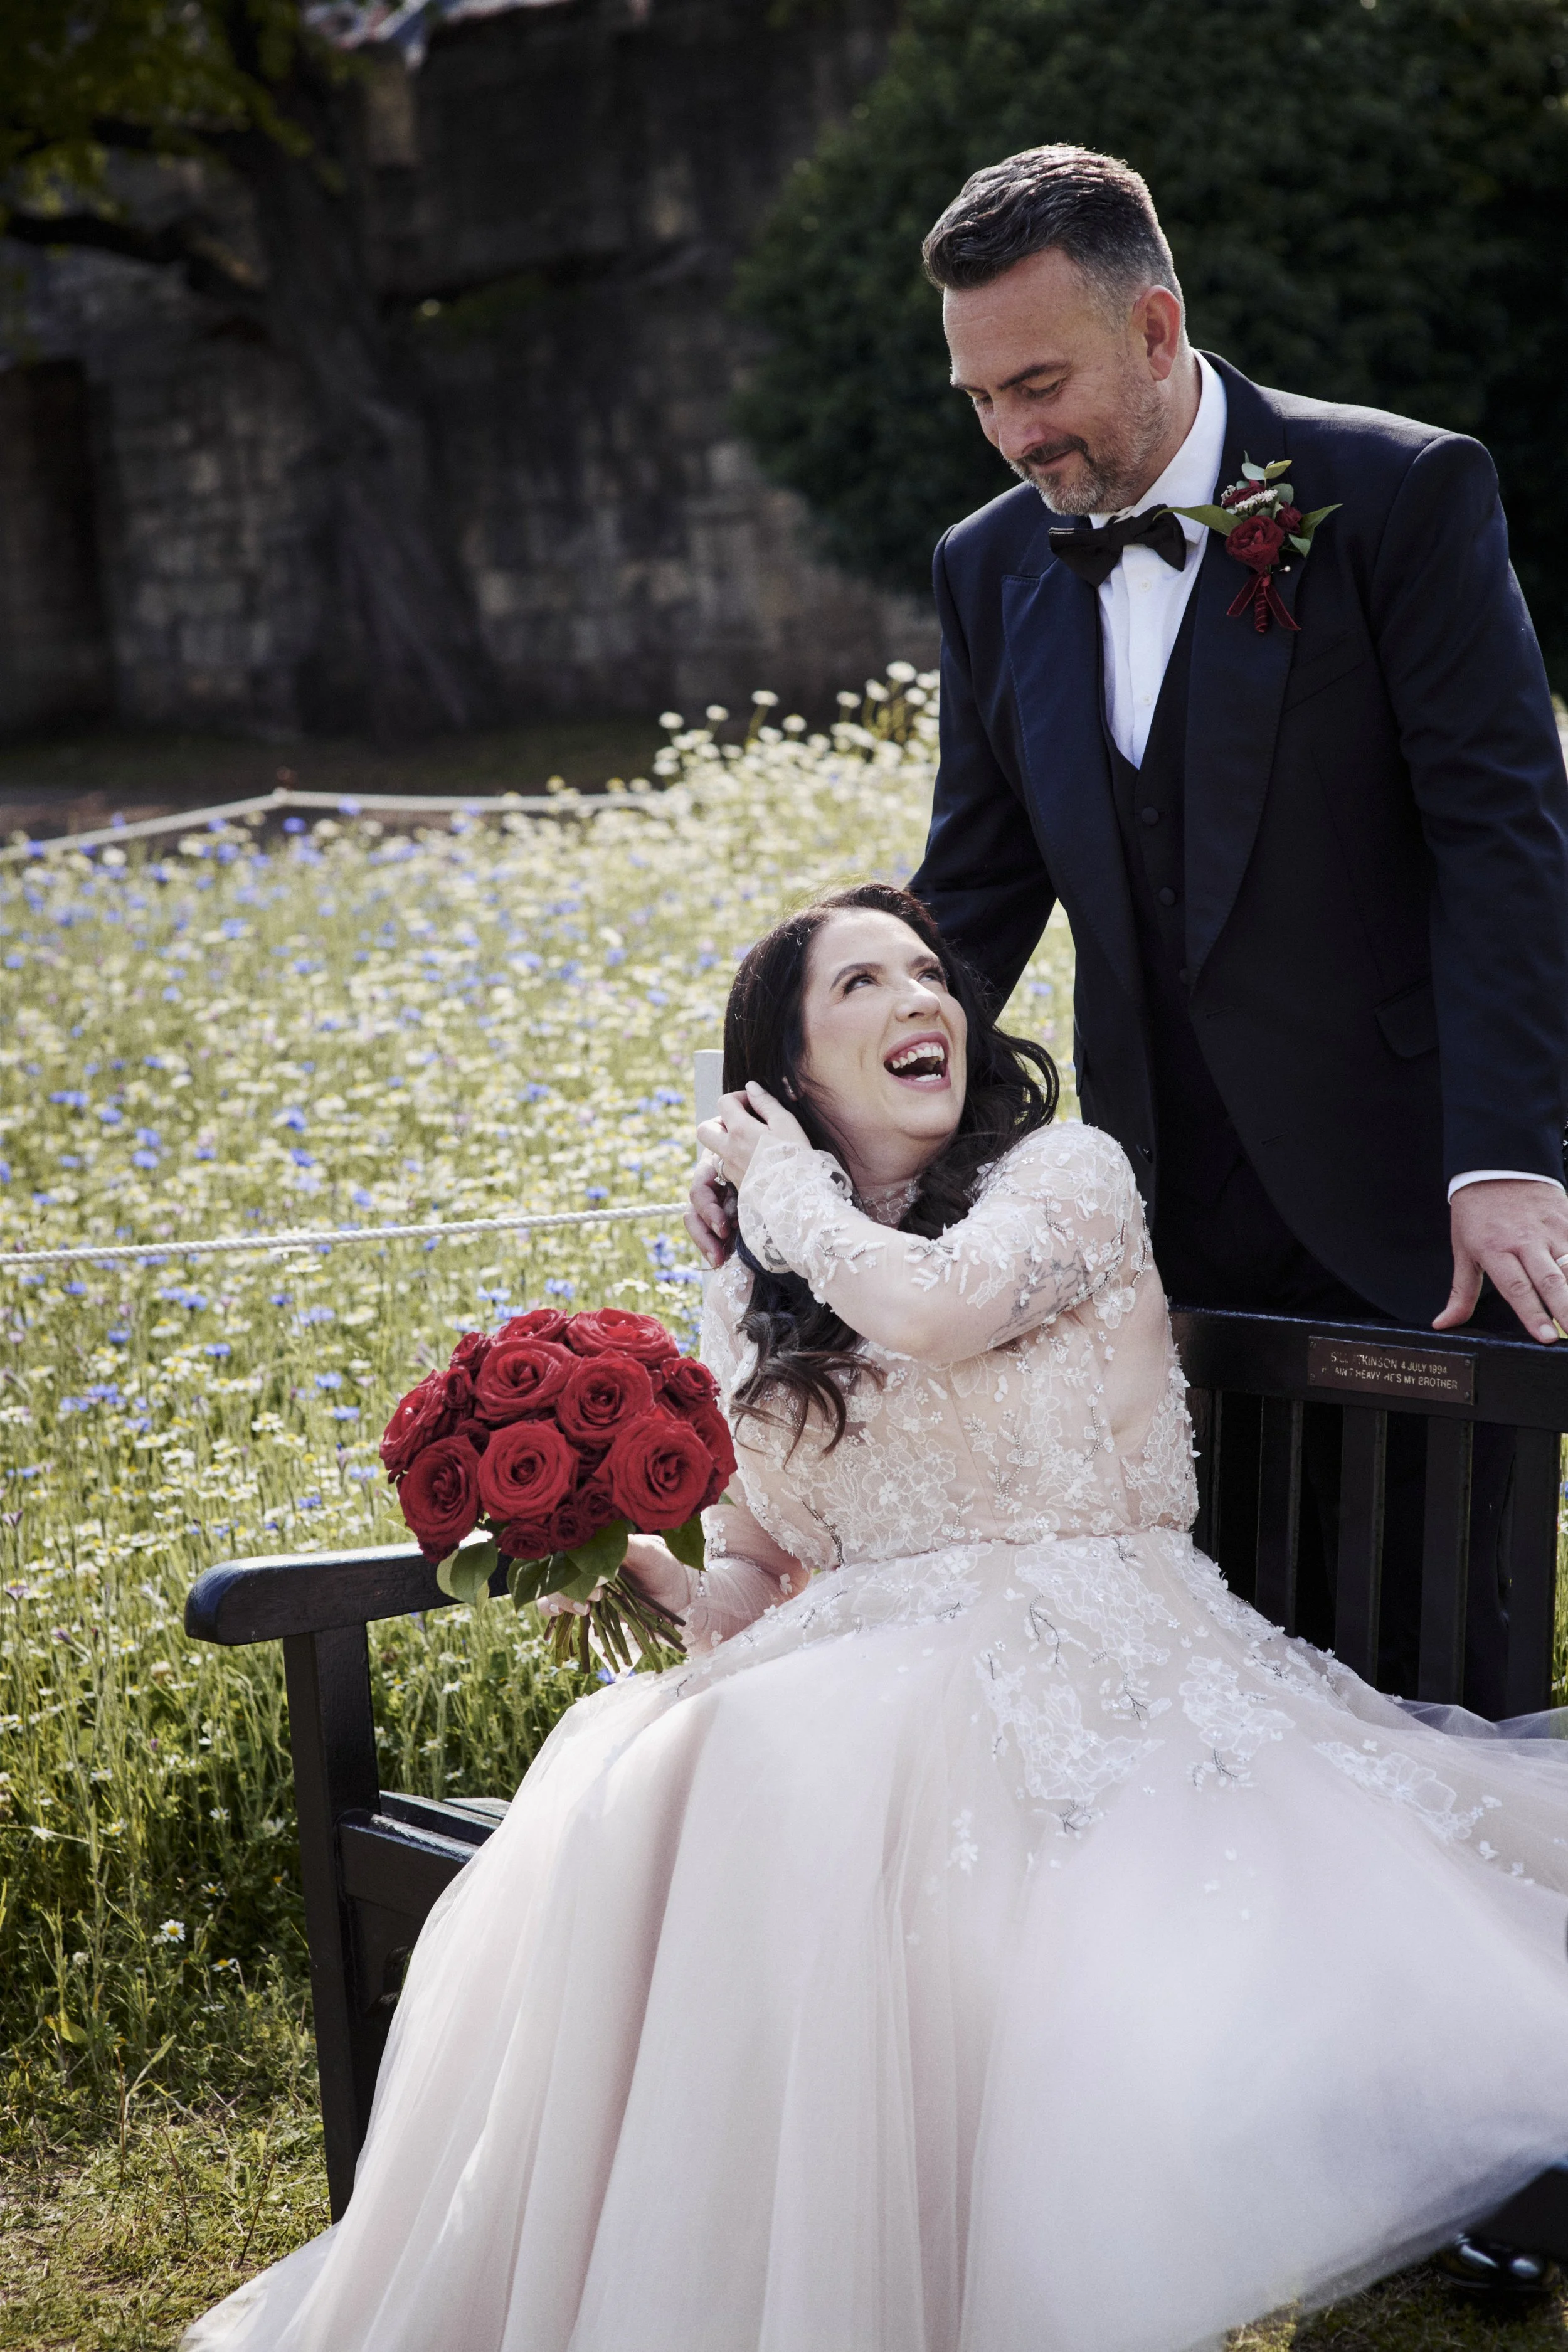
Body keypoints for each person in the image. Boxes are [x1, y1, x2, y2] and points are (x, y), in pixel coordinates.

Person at [188, 886, 1568, 2352]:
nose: (922, 1003)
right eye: (861, 985)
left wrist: (781, 1198)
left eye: (928, 975)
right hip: (852, 1674)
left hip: (1093, 1653)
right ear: (788, 1077)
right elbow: (754, 1579)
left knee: (754, 1772)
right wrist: (616, 1562)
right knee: (648, 1763)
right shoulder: (762, 1289)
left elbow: (934, 1310)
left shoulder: (1066, 1179)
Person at [683, 146, 1568, 1728]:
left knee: (1435, 1671)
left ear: (1155, 329)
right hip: (1149, 1218)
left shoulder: (1397, 494)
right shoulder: (987, 563)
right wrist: (794, 1122)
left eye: (1039, 381)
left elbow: (1504, 838)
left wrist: (1501, 1152)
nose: (1015, 434)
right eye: (978, 399)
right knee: (1215, 1671)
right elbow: (972, 883)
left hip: (1408, 1202)